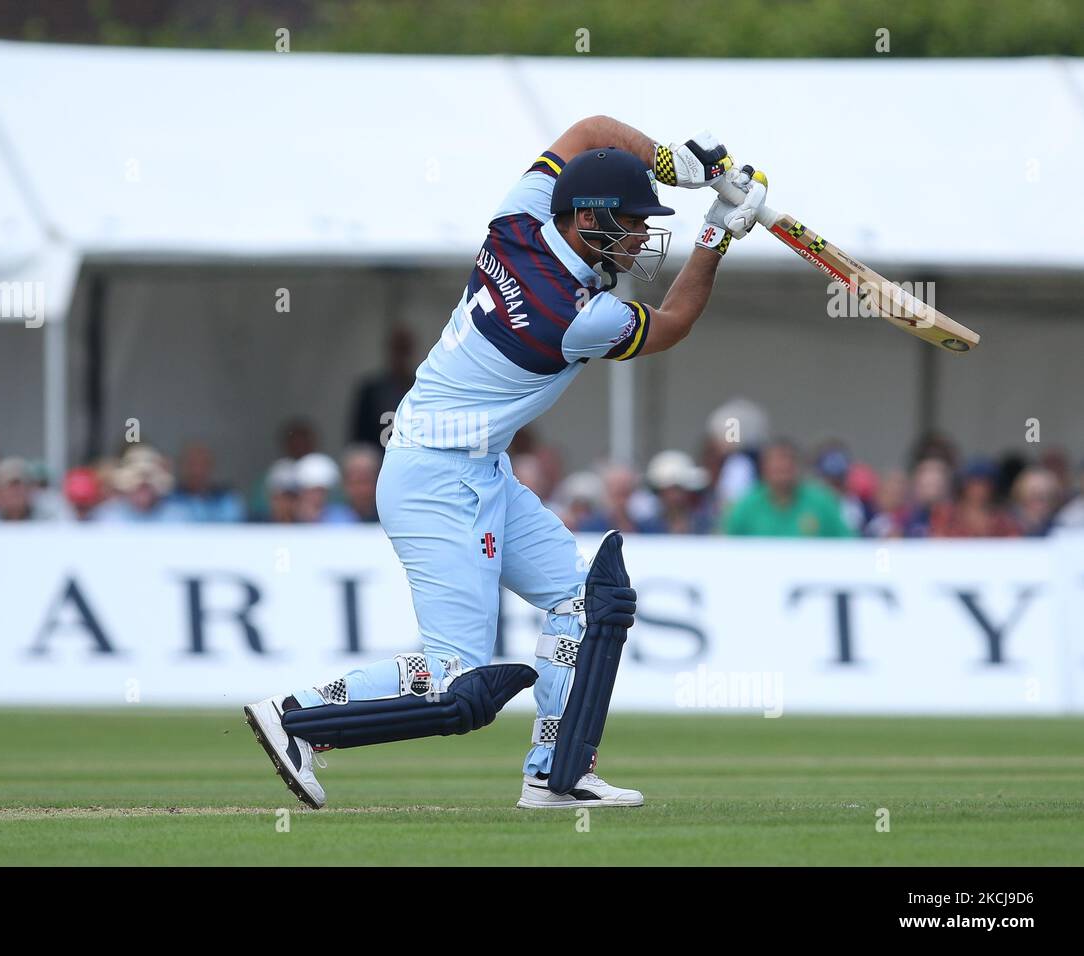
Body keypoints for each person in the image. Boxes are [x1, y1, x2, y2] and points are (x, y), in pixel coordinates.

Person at [245, 116, 766, 809]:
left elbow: (588, 131)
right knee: (451, 678)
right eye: (636, 220)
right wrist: (718, 232)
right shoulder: (579, 316)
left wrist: (672, 163)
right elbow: (673, 324)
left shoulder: (516, 220)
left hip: (471, 465)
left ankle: (557, 773)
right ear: (589, 219)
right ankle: (297, 719)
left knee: (585, 603)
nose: (643, 236)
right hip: (436, 476)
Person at [724, 440, 853, 537]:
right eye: (777, 467)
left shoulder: (822, 503)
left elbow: (848, 542)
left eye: (787, 465)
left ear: (798, 467)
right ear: (764, 468)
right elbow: (725, 545)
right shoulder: (745, 506)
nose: (783, 470)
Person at [160, 441, 243, 522]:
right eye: (191, 464)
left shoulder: (225, 498)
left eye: (202, 464)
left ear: (210, 466)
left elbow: (234, 526)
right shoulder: (169, 499)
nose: (197, 471)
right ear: (182, 466)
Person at [643, 450, 712, 534]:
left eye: (679, 489)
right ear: (660, 493)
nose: (675, 496)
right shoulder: (647, 527)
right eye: (670, 490)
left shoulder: (704, 525)